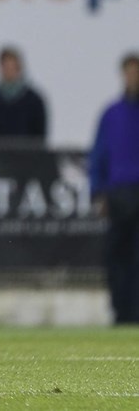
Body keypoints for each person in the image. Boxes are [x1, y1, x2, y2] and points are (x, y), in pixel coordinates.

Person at [89, 53, 139, 324]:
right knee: (116, 257)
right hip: (119, 195)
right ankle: (121, 312)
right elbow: (99, 155)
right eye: (130, 72)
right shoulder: (112, 114)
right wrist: (98, 192)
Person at [0, 46, 47, 146]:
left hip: (24, 154)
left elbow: (39, 135)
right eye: (5, 67)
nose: (8, 71)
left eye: (11, 67)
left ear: (18, 68)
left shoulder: (33, 100)